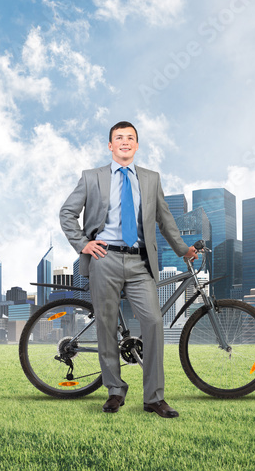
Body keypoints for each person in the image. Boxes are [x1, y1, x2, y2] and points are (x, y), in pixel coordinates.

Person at [60, 121, 196, 418]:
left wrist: (182, 249)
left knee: (153, 322)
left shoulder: (150, 179)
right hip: (104, 259)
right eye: (118, 138)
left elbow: (165, 218)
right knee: (106, 326)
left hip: (140, 262)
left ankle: (154, 398)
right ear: (110, 146)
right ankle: (114, 391)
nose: (125, 142)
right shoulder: (91, 177)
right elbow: (67, 213)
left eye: (130, 138)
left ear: (136, 145)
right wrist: (83, 244)